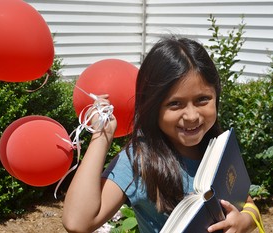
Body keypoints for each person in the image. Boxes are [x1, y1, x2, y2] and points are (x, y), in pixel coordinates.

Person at [63, 36, 262, 233]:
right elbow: (77, 222)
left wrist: (243, 222)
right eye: (175, 104)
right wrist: (102, 135)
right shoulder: (138, 161)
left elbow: (246, 202)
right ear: (152, 106)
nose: (192, 116)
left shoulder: (218, 148)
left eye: (203, 99)